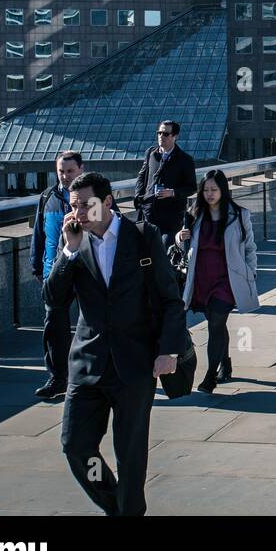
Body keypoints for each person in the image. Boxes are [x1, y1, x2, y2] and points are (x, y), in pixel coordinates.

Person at [45, 170, 187, 516]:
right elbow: (54, 299)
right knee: (76, 446)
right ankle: (118, 507)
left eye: (85, 205)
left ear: (107, 202)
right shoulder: (76, 244)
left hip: (135, 364)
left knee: (130, 455)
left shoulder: (142, 237)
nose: (77, 213)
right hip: (88, 363)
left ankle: (129, 510)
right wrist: (69, 251)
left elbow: (170, 299)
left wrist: (168, 350)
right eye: (73, 206)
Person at [176, 170, 259, 394]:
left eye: (214, 189)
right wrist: (179, 237)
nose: (210, 194)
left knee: (216, 323)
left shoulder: (239, 215)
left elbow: (250, 247)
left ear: (223, 190)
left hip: (227, 280)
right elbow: (183, 242)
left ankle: (210, 376)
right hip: (201, 278)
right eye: (206, 190)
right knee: (216, 323)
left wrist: (251, 271)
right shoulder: (194, 214)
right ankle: (226, 362)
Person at [30, 150, 83, 399]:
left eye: (70, 171)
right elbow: (39, 234)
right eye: (61, 170)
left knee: (94, 323)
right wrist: (36, 266)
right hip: (55, 270)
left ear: (81, 170)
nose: (64, 175)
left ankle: (95, 372)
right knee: (54, 326)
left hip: (86, 270)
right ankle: (57, 377)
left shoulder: (91, 197)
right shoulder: (47, 197)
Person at [133, 120, 197, 252]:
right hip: (149, 213)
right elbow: (142, 176)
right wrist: (139, 197)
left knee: (164, 252)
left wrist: (172, 192)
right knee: (145, 253)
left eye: (166, 134)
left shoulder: (185, 159)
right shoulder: (151, 153)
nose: (161, 136)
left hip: (171, 218)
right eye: (159, 133)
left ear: (175, 136)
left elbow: (191, 187)